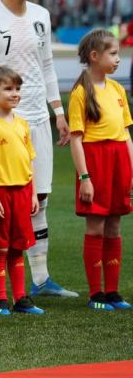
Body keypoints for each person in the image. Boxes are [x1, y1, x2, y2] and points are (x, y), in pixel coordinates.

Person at [0, 0, 76, 299]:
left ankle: (41, 277)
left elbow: (46, 66)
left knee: (38, 197)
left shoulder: (41, 15)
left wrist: (58, 112)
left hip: (35, 119)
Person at [68, 29, 133, 312]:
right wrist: (85, 177)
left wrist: (132, 170)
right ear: (95, 57)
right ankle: (96, 294)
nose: (118, 59)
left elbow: (126, 134)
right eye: (113, 53)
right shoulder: (81, 93)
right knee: (96, 226)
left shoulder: (118, 90)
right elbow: (76, 139)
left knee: (115, 225)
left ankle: (113, 292)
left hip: (119, 161)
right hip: (96, 162)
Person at [0, 67, 45, 316]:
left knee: (18, 247)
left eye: (17, 89)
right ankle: (1, 299)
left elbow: (29, 161)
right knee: (1, 247)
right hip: (1, 193)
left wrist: (34, 193)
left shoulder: (23, 124)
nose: (15, 94)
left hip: (23, 193)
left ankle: (21, 298)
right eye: (8, 89)